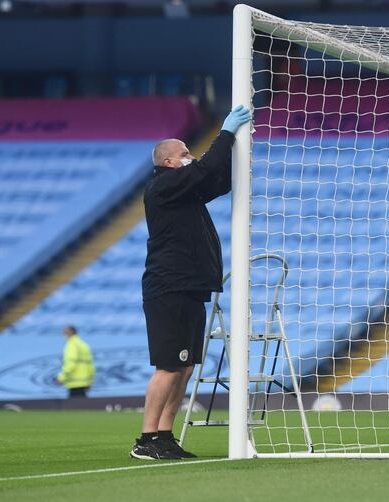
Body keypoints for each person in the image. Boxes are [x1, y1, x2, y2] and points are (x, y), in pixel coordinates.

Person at [129, 105, 251, 461]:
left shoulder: (183, 191)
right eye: (184, 153)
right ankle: (146, 439)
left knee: (184, 366)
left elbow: (218, 179)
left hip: (188, 289)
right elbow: (208, 168)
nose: (190, 157)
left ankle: (164, 436)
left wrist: (237, 148)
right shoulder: (163, 186)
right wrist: (226, 133)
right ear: (168, 161)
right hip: (169, 287)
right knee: (168, 365)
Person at [56, 325, 95, 398]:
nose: (63, 335)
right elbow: (90, 366)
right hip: (84, 382)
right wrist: (90, 381)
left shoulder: (71, 345)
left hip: (74, 382)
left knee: (73, 407)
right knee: (83, 406)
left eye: (65, 332)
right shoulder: (84, 345)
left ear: (70, 333)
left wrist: (61, 377)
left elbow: (70, 364)